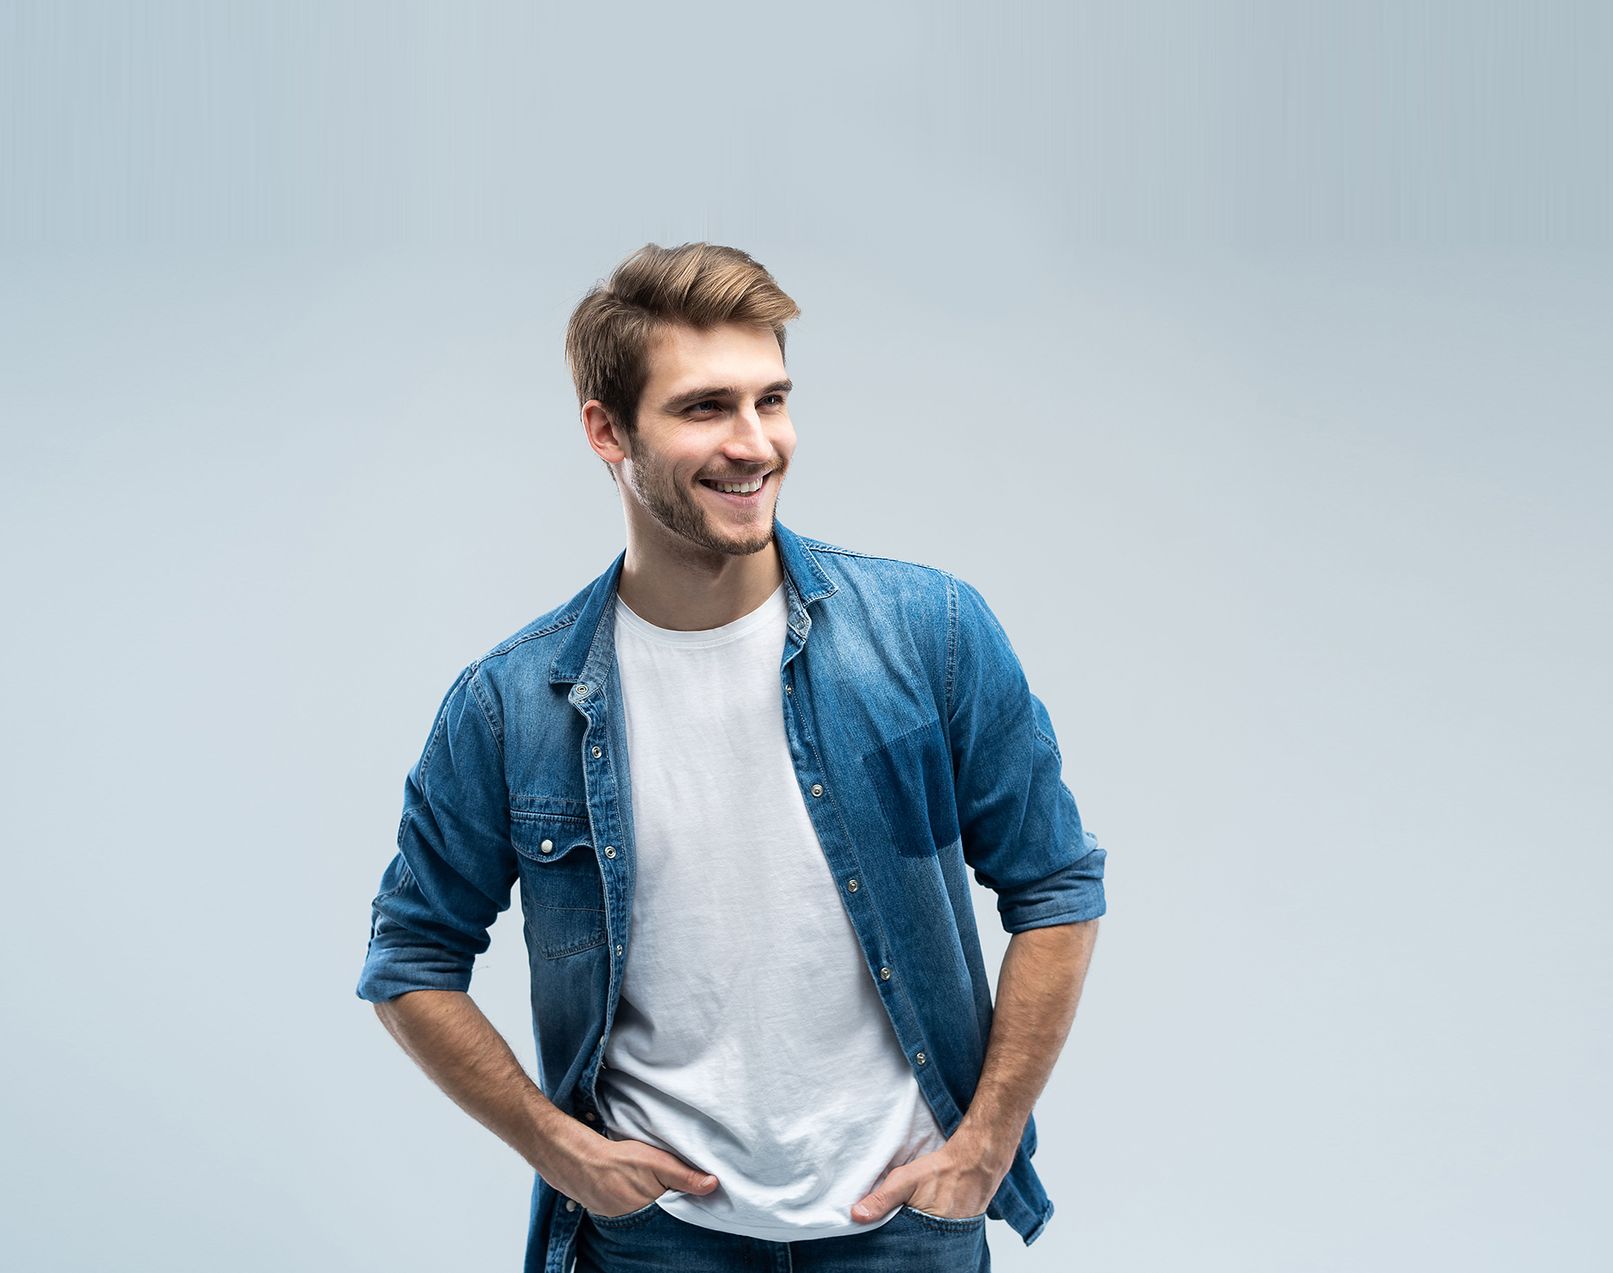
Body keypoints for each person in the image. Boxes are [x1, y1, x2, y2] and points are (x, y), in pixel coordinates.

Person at [354, 242, 1107, 1273]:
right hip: (659, 1244)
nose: (756, 444)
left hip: (902, 1231)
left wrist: (984, 1144)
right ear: (606, 431)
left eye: (773, 400)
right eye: (706, 407)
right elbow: (410, 957)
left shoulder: (930, 631)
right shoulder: (510, 707)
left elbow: (1058, 883)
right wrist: (561, 1149)